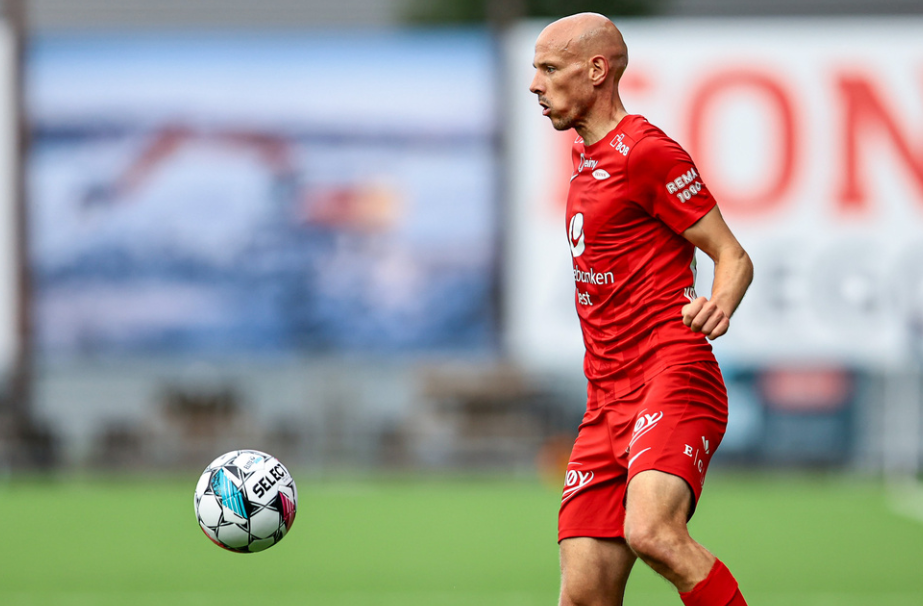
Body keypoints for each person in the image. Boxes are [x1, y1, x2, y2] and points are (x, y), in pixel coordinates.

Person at [529, 13, 754, 606]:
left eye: (549, 68)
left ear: (597, 70)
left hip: (672, 374)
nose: (535, 84)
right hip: (605, 401)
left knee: (653, 533)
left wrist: (719, 304)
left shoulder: (646, 152)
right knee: (583, 596)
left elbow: (732, 254)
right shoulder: (585, 160)